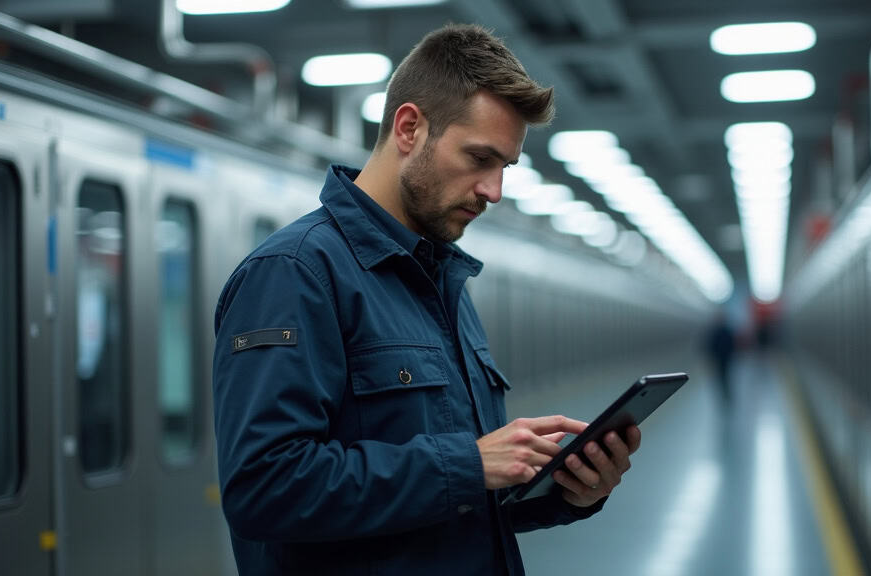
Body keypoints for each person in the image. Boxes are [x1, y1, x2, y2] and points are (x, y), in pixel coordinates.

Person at [212, 23, 643, 575]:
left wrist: (566, 494)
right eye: (479, 158)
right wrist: (468, 463)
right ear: (410, 128)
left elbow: (454, 507)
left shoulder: (440, 279)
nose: (495, 191)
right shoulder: (296, 273)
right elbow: (263, 489)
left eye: (504, 168)